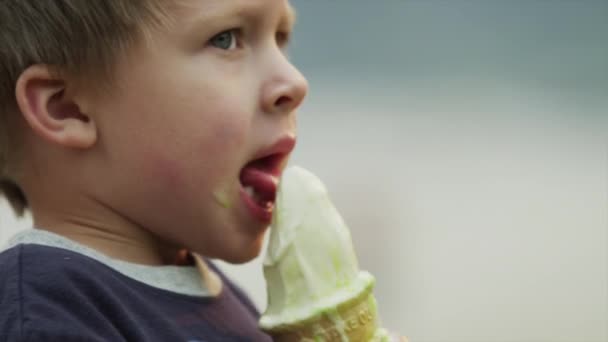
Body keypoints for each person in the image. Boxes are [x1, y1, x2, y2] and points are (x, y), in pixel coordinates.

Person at [0, 0, 307, 340]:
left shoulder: (219, 295)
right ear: (67, 108)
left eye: (280, 38)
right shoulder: (50, 313)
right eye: (226, 39)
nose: (295, 82)